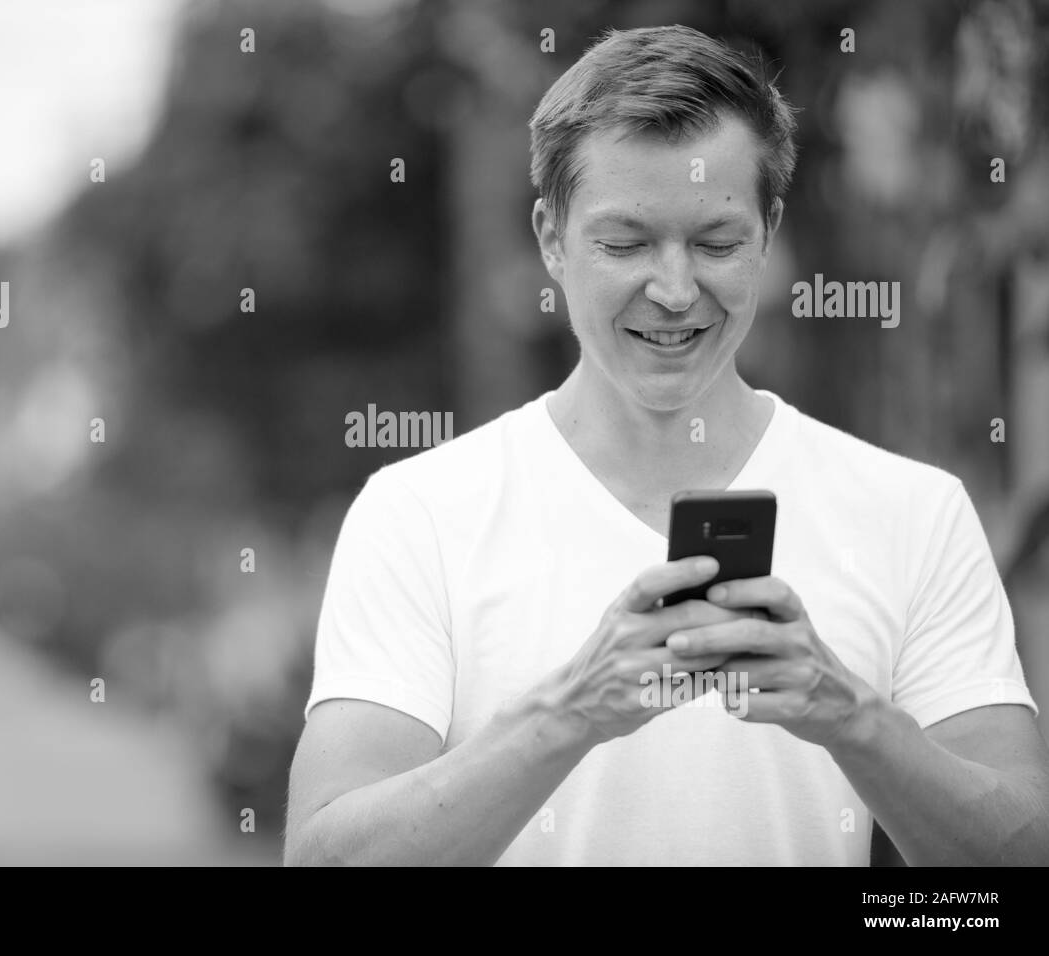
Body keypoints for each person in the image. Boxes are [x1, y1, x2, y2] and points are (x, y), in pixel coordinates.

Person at [284, 24, 1049, 866]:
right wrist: (569, 713)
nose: (676, 290)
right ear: (550, 238)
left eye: (717, 243)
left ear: (770, 233)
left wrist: (851, 717)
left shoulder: (913, 512)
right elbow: (326, 856)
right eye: (626, 244)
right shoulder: (419, 514)